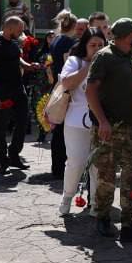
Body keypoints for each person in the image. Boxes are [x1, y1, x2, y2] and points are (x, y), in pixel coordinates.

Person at [85, 18, 132, 243]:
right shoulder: (105, 57)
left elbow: (131, 90)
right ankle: (103, 219)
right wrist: (102, 121)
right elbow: (90, 91)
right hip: (110, 129)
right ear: (126, 35)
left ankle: (129, 224)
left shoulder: (129, 58)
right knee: (106, 177)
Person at [57, 28, 107, 216]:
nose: (97, 49)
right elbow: (67, 84)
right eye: (93, 45)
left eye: (101, 45)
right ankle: (67, 197)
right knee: (76, 162)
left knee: (98, 164)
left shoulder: (109, 63)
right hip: (76, 121)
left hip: (101, 121)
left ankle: (95, 203)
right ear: (84, 46)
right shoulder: (74, 61)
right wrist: (88, 66)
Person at [0, 16, 34, 175]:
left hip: (19, 89)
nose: (22, 33)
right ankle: (3, 158)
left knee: (22, 122)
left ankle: (14, 154)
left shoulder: (13, 44)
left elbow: (17, 59)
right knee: (1, 126)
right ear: (10, 28)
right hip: (2, 91)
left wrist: (29, 66)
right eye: (19, 30)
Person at [47, 11, 79, 184]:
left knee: (57, 127)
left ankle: (56, 166)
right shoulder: (69, 42)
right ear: (74, 26)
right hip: (66, 86)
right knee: (64, 128)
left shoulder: (56, 39)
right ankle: (62, 168)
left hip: (57, 85)